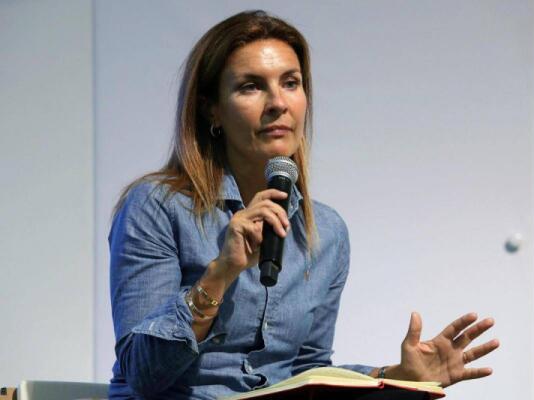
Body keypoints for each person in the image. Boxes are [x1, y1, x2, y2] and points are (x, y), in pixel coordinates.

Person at [108, 10, 499, 400]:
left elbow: (306, 372)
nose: (278, 103)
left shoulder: (326, 232)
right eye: (251, 86)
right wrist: (220, 274)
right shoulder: (157, 206)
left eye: (291, 83)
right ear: (212, 109)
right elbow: (142, 374)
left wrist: (396, 375)